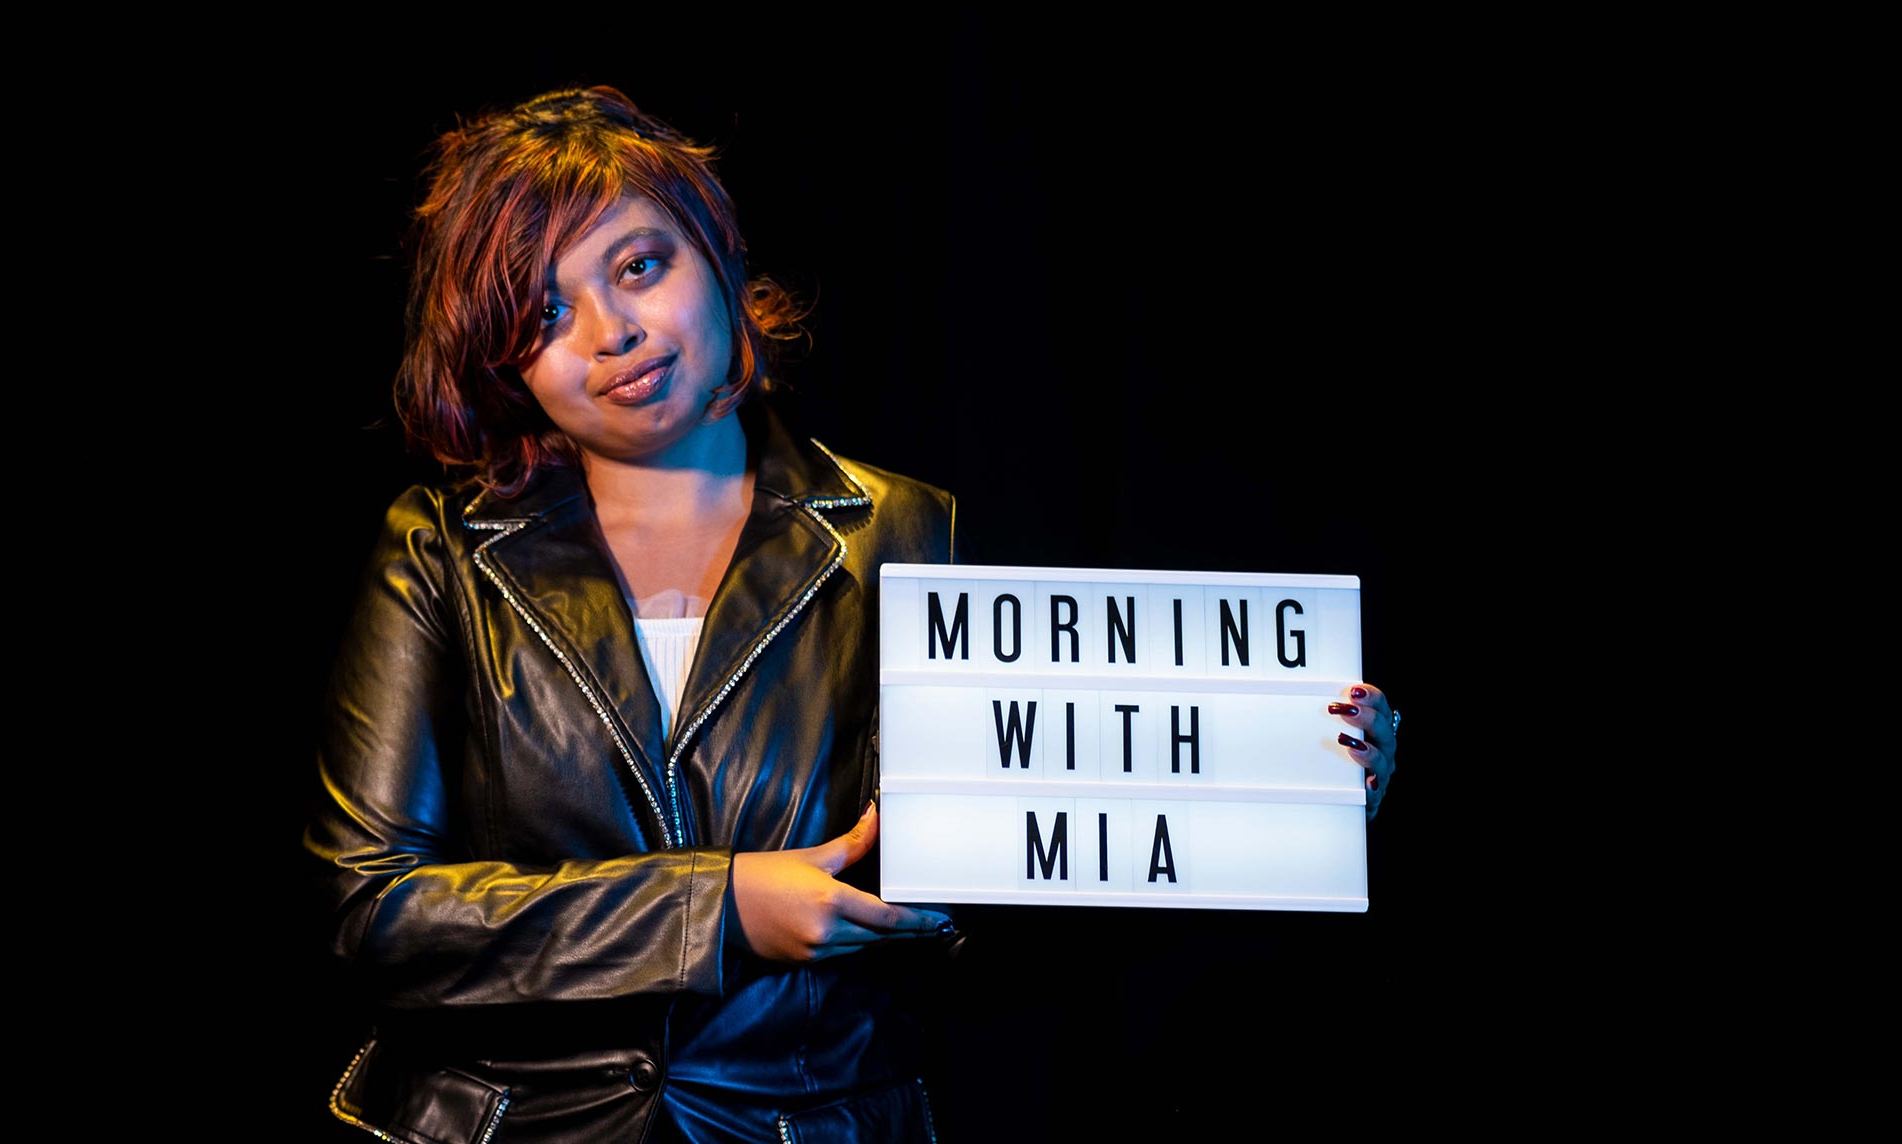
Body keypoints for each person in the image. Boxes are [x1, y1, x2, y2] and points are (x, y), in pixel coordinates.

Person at [307, 84, 1399, 1144]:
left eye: (638, 266)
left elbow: (975, 921)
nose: (610, 332)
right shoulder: (438, 548)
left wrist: (1282, 797)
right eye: (544, 312)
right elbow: (375, 913)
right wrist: (719, 907)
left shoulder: (904, 532)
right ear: (508, 365)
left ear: (719, 255)